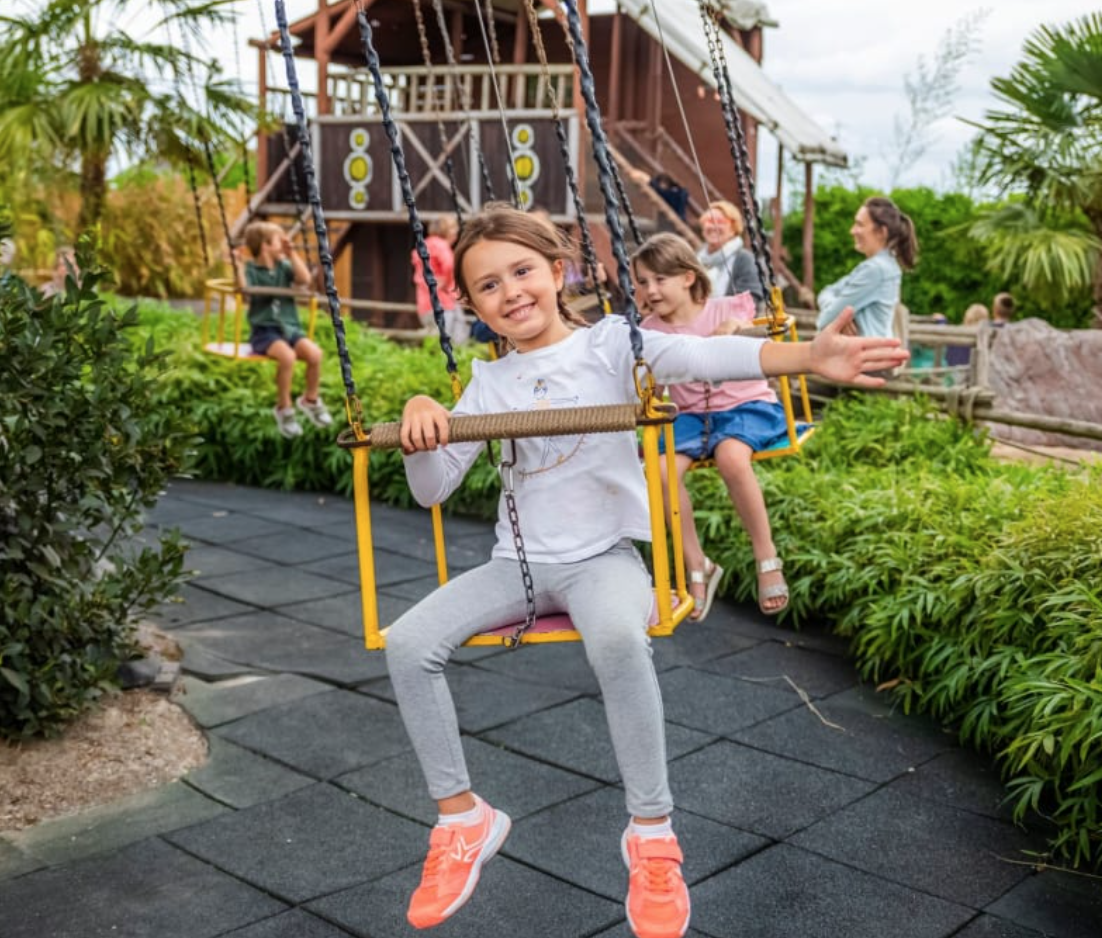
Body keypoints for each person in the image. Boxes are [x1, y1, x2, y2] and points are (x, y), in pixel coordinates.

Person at [386, 203, 908, 937]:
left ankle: (652, 834)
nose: (511, 292)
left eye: (522, 271)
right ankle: (462, 819)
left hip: (604, 561)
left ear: (557, 272)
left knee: (618, 640)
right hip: (520, 567)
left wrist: (805, 359)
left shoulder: (611, 346)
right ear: (471, 303)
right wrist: (421, 422)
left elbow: (703, 360)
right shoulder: (487, 384)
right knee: (409, 644)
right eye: (488, 285)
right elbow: (434, 489)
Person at [633, 232, 790, 619]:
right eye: (643, 282)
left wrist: (736, 326)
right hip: (690, 416)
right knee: (660, 472)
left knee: (732, 458)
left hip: (745, 406)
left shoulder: (726, 309)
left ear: (688, 277)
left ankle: (766, 555)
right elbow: (650, 384)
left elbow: (755, 332)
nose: (650, 290)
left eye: (660, 279)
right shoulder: (649, 330)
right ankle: (697, 563)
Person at [235, 221, 332, 438]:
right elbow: (245, 291)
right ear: (266, 245)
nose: (285, 242)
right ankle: (284, 408)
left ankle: (310, 399)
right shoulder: (251, 270)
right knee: (287, 357)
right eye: (280, 240)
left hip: (289, 327)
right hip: (265, 331)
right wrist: (239, 266)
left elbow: (305, 279)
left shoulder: (284, 266)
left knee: (315, 354)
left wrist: (292, 254)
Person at [815, 196, 919, 339]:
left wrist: (837, 314)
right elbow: (827, 292)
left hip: (868, 351)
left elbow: (824, 320)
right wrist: (840, 315)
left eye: (860, 225)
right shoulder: (882, 265)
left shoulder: (876, 270)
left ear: (881, 232)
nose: (852, 231)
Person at [411, 215, 469, 347]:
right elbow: (449, 266)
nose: (456, 232)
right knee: (456, 342)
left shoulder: (423, 245)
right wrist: (446, 283)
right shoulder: (440, 245)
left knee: (436, 342)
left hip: (425, 304)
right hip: (444, 303)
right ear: (445, 230)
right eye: (453, 228)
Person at [696, 199, 762, 300]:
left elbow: (751, 300)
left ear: (733, 229)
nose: (713, 226)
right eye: (709, 221)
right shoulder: (695, 258)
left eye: (720, 221)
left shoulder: (745, 259)